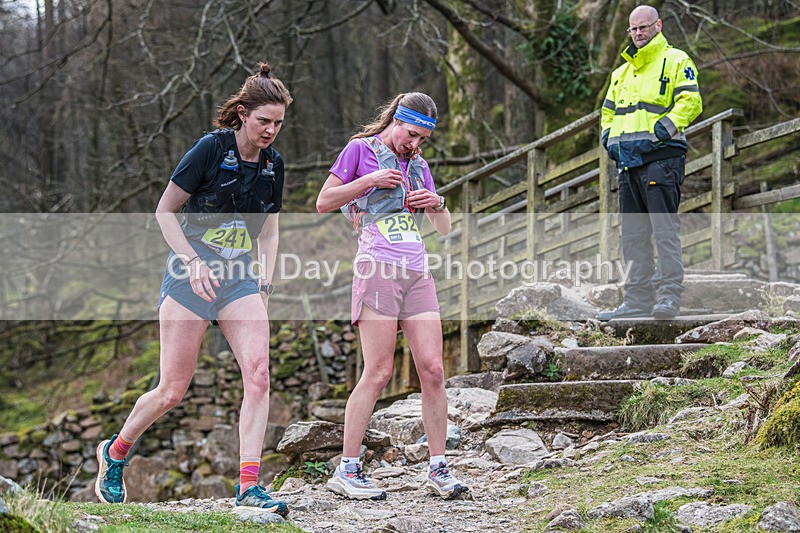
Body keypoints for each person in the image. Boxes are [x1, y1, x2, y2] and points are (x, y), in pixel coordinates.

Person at [94, 63, 291, 516]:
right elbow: (165, 212)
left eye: (279, 123)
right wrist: (192, 260)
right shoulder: (209, 149)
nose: (271, 131)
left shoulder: (273, 165)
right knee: (172, 390)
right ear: (242, 113)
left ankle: (248, 486)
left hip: (240, 279)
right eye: (264, 121)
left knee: (259, 374)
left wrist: (265, 284)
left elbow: (270, 232)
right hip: (190, 279)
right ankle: (116, 452)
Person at [315, 92, 469, 500]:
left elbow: (444, 228)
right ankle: (348, 469)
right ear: (396, 121)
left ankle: (439, 467)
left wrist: (437, 203)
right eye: (412, 135)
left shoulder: (419, 165)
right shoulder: (359, 150)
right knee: (379, 371)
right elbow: (323, 201)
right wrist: (369, 181)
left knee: (433, 370)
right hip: (376, 267)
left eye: (423, 139)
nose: (415, 145)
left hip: (417, 271)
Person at [598, 5, 702, 321]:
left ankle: (669, 297)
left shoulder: (676, 60)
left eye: (644, 27)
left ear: (658, 26)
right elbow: (607, 113)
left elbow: (691, 101)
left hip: (662, 160)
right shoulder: (621, 73)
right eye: (634, 29)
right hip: (627, 163)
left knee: (664, 230)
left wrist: (660, 131)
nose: (639, 33)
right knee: (632, 235)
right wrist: (608, 139)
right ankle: (637, 299)